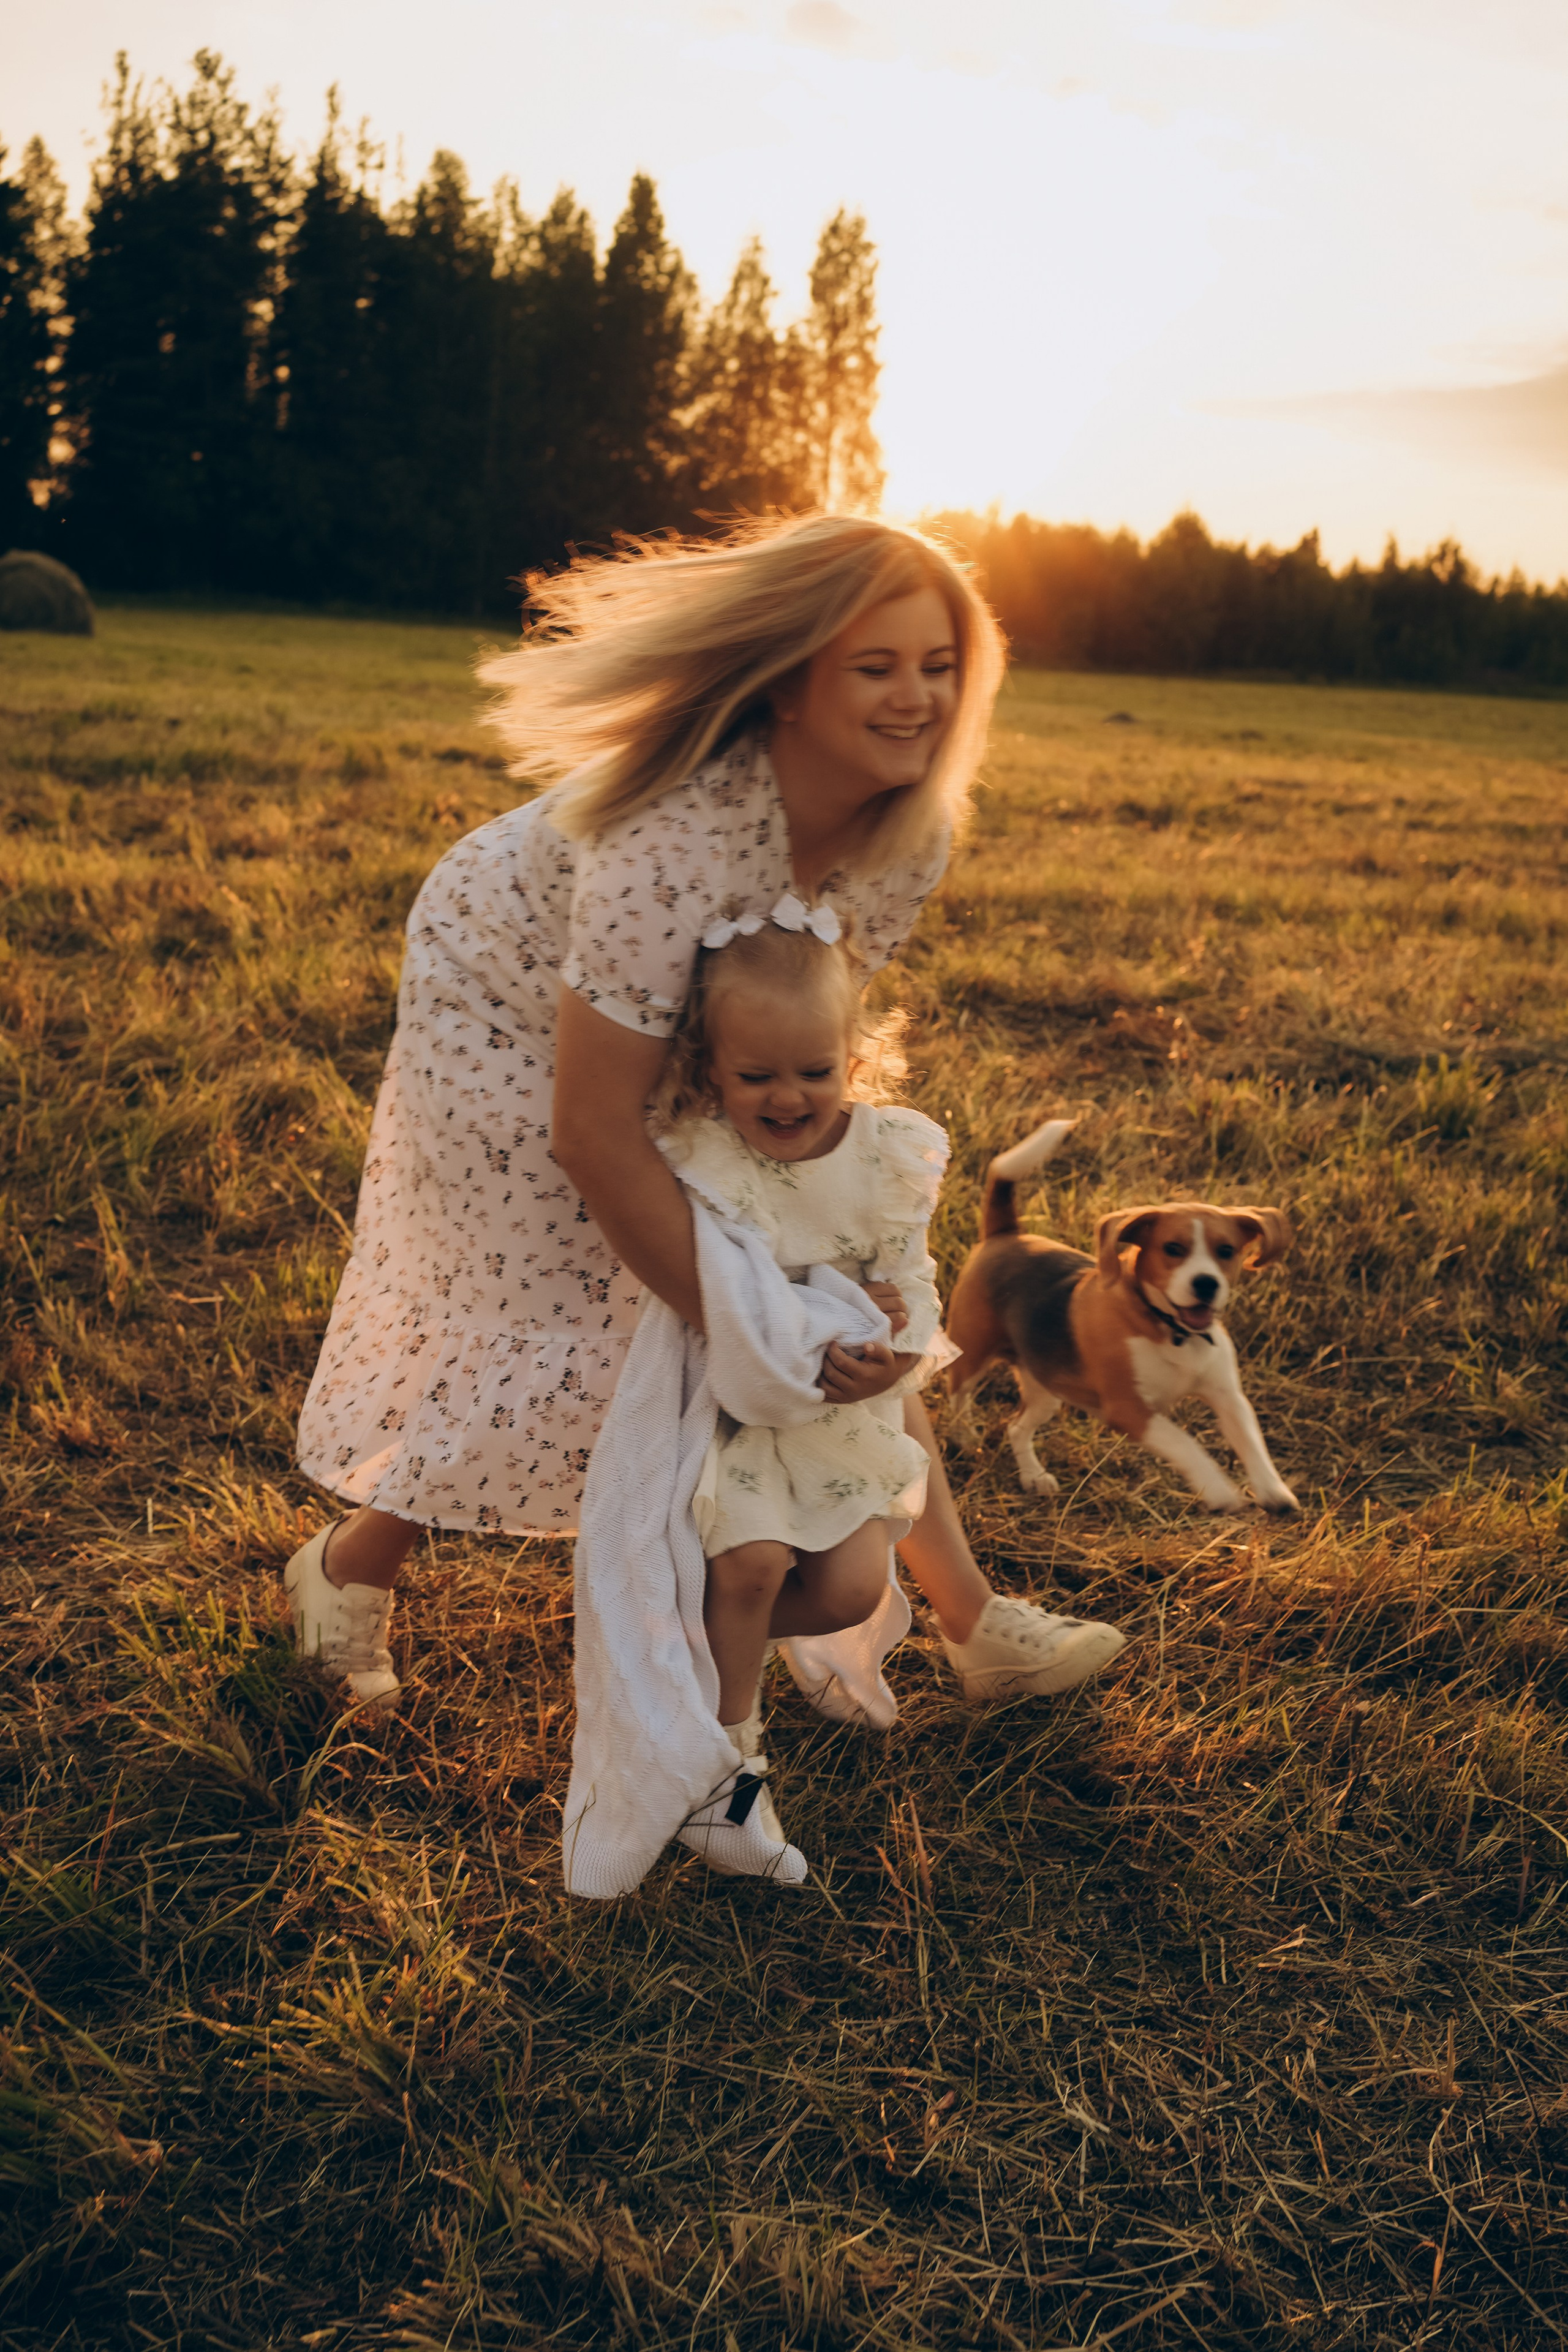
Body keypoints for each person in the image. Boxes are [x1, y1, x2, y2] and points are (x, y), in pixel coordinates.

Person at [284, 513, 1126, 1713]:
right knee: (568, 1317)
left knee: (811, 1274)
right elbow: (590, 1131)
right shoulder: (669, 840)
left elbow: (802, 1029)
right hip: (508, 988)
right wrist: (767, 1339)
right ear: (789, 685)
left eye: (939, 668)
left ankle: (972, 1623)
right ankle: (345, 1573)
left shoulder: (910, 835)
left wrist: (814, 1288)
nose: (915, 700)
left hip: (719, 1025)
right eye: (875, 667)